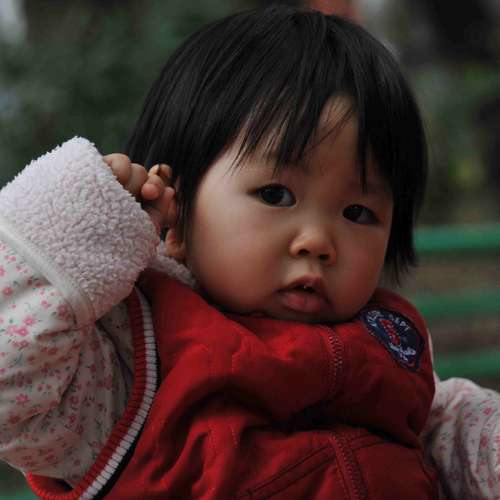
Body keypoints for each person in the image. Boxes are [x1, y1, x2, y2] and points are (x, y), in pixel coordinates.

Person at [0, 5, 440, 498]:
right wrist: (76, 214)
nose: (317, 241)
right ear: (177, 213)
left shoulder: (389, 341)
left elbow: (439, 425)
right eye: (275, 195)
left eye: (358, 212)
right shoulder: (128, 366)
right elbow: (10, 383)